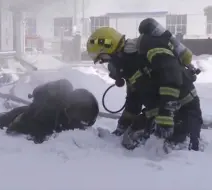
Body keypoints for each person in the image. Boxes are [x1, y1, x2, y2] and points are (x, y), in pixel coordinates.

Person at [86, 18, 203, 151]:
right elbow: (133, 102)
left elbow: (171, 77)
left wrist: (165, 115)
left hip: (184, 108)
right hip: (158, 114)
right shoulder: (129, 66)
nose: (106, 63)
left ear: (110, 47)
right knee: (130, 140)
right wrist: (121, 128)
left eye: (103, 58)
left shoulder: (148, 47)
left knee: (175, 150)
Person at [0, 79, 99, 144]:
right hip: (21, 115)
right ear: (73, 108)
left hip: (29, 111)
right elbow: (22, 126)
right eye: (82, 117)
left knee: (2, 119)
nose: (81, 121)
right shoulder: (50, 115)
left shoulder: (64, 107)